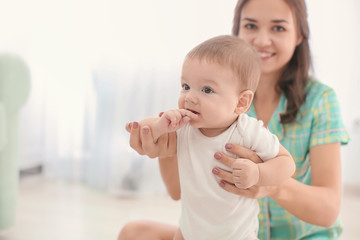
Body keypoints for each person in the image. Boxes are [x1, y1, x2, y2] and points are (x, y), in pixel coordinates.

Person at [119, 0, 350, 239]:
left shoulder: (319, 100)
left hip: (295, 235)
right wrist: (161, 139)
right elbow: (178, 191)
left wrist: (264, 179)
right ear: (237, 29)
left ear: (300, 35)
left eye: (278, 28)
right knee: (134, 233)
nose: (261, 40)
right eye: (251, 26)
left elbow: (327, 211)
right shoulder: (205, 108)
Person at [130, 35, 295, 240]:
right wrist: (159, 126)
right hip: (189, 232)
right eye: (186, 86)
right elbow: (146, 128)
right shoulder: (184, 126)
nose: (189, 97)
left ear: (241, 102)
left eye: (207, 90)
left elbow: (287, 164)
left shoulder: (247, 131)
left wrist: (258, 173)